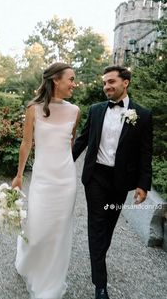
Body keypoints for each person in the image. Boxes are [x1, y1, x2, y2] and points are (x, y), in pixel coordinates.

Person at [72, 65, 153, 299]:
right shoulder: (96, 110)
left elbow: (145, 153)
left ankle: (98, 257)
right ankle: (100, 285)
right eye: (105, 83)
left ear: (125, 82)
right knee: (97, 225)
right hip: (95, 177)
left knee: (108, 226)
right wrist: (62, 163)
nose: (106, 86)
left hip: (120, 182)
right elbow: (82, 140)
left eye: (111, 82)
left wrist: (143, 184)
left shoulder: (143, 115)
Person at [12, 62, 80, 299]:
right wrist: (19, 175)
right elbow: (26, 143)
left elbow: (69, 144)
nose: (74, 84)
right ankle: (29, 262)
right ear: (55, 80)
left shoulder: (75, 111)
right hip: (42, 179)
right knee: (38, 227)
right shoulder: (34, 108)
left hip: (66, 180)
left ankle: (51, 281)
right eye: (70, 79)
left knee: (60, 231)